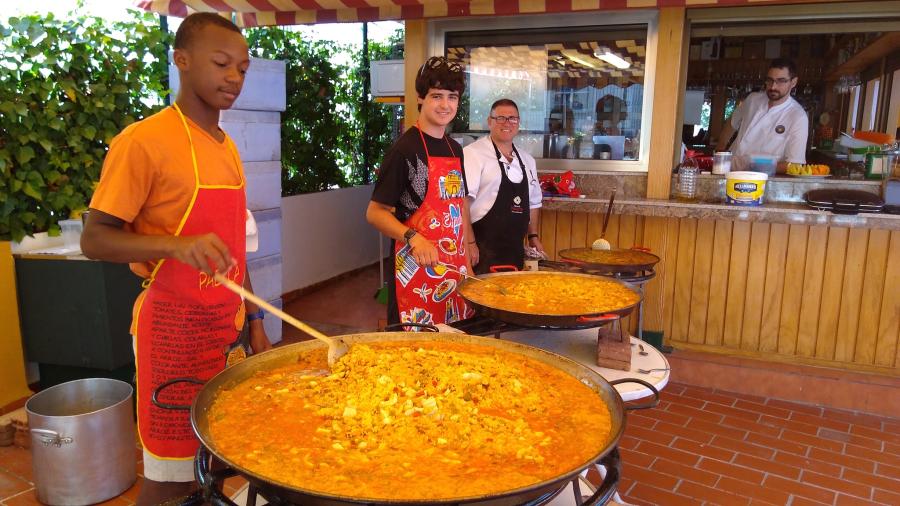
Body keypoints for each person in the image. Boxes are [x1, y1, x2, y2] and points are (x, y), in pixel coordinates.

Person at [80, 13, 271, 505]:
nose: (234, 77)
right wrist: (172, 244)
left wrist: (254, 319)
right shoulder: (143, 142)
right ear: (181, 61)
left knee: (217, 460)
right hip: (173, 332)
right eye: (222, 63)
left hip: (224, 330)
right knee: (170, 474)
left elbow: (232, 249)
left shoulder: (227, 147)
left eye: (243, 68)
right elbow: (94, 239)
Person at [365, 56, 475, 327]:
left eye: (452, 97)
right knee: (414, 356)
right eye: (437, 96)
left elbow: (458, 206)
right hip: (415, 278)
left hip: (454, 274)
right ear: (420, 98)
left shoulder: (454, 149)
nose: (445, 105)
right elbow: (374, 213)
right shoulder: (404, 149)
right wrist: (413, 237)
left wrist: (467, 264)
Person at [463, 99, 544, 273]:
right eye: (500, 118)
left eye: (512, 118)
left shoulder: (527, 160)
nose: (507, 123)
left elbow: (534, 203)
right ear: (489, 121)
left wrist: (533, 236)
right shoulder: (473, 154)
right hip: (480, 249)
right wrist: (469, 243)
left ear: (518, 123)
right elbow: (462, 203)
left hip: (514, 251)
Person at [716, 58, 809, 172]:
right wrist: (720, 152)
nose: (773, 86)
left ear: (793, 82)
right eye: (770, 80)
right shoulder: (753, 99)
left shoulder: (798, 116)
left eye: (781, 81)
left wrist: (754, 168)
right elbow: (732, 123)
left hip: (763, 179)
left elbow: (795, 164)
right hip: (730, 171)